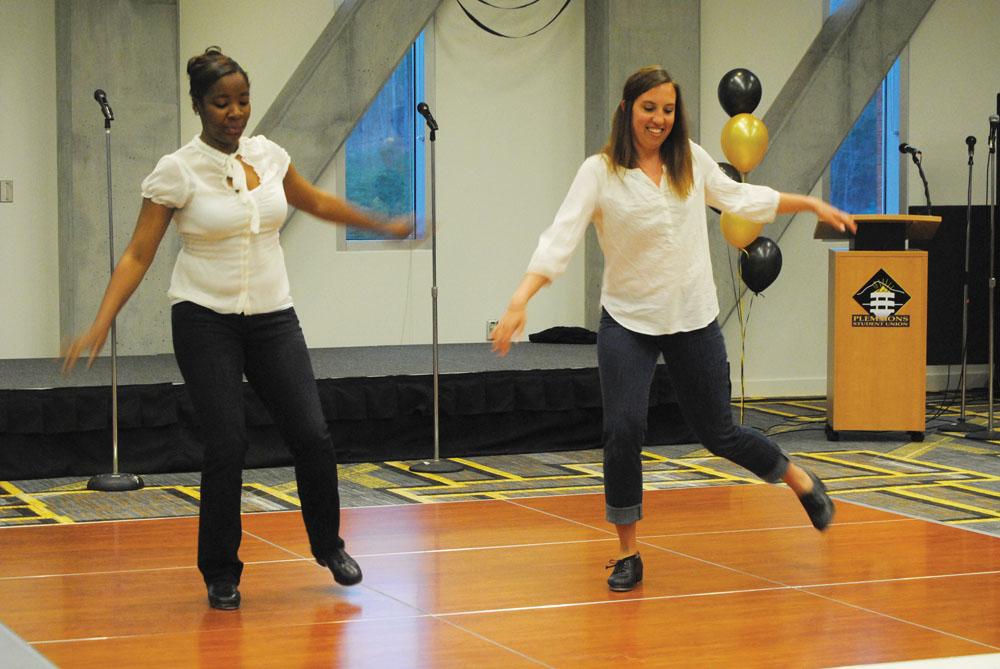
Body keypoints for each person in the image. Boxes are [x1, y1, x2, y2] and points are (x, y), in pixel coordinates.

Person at [62, 47, 411, 610]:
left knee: (313, 435)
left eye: (243, 100)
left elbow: (314, 200)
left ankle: (329, 546)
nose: (235, 111)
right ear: (199, 106)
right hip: (204, 320)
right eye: (222, 103)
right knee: (227, 443)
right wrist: (100, 321)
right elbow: (137, 254)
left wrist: (380, 221)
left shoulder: (270, 155)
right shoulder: (177, 170)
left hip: (274, 317)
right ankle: (220, 572)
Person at [491, 66, 856, 593]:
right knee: (623, 431)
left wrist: (809, 202)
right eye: (648, 109)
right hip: (627, 322)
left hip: (692, 317)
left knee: (718, 433)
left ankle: (799, 480)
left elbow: (740, 199)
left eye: (667, 110)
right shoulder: (599, 172)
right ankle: (628, 553)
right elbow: (559, 240)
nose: (658, 119)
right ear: (626, 111)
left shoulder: (691, 159)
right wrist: (519, 299)